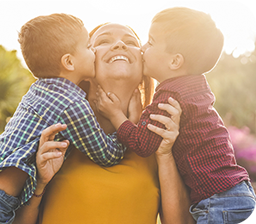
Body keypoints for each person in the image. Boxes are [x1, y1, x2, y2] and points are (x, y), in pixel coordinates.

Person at [13, 23, 194, 224]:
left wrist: (165, 154)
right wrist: (39, 183)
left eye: (130, 42)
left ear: (144, 66)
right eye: (103, 41)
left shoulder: (160, 136)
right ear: (82, 61)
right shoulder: (55, 132)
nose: (119, 45)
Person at [96, 7, 256, 223]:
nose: (143, 48)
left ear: (175, 62)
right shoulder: (197, 86)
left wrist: (117, 116)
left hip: (217, 201)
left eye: (150, 43)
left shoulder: (169, 94)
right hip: (239, 194)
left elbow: (142, 144)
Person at [0, 13, 129, 224]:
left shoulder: (40, 89)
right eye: (88, 46)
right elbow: (108, 154)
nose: (93, 51)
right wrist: (126, 122)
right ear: (68, 62)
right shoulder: (71, 103)